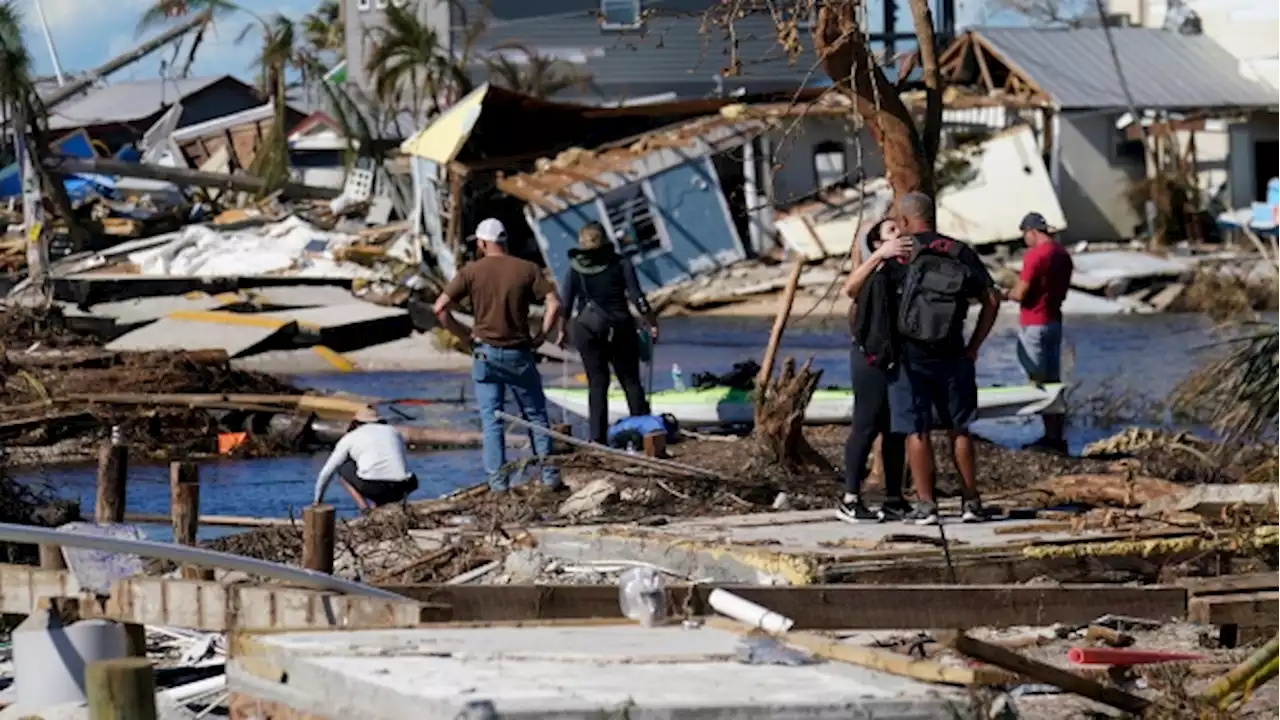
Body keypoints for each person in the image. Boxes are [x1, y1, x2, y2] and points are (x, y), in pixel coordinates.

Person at [888, 192, 1001, 526]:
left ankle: (927, 506)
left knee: (916, 431)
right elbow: (991, 300)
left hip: (909, 356)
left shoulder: (901, 254)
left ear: (905, 221)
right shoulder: (958, 251)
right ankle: (971, 502)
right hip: (954, 353)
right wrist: (974, 345)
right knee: (959, 428)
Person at [433, 218, 564, 492]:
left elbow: (440, 309)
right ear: (505, 241)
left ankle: (498, 485)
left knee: (492, 421)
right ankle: (549, 477)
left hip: (485, 354)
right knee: (536, 415)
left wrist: (464, 335)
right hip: (519, 352)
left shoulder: (471, 271)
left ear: (482, 243)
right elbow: (554, 303)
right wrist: (541, 336)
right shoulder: (527, 269)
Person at [837, 217, 913, 523]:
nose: (899, 235)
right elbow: (849, 288)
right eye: (891, 231)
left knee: (895, 429)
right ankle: (850, 498)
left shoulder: (904, 271)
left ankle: (894, 497)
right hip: (868, 359)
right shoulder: (874, 271)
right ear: (878, 244)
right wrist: (878, 256)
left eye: (900, 229)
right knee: (865, 425)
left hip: (896, 359)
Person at [556, 221, 659, 444]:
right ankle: (643, 433)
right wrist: (651, 322)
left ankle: (597, 439)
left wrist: (561, 331)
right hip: (619, 326)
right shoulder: (621, 263)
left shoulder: (575, 268)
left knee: (597, 383)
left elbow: (565, 305)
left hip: (585, 328)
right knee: (630, 380)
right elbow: (637, 297)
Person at [1006, 211, 1073, 455]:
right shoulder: (1062, 254)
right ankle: (1056, 436)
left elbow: (1021, 292)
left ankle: (1049, 437)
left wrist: (1005, 293)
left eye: (1025, 234)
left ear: (1031, 231)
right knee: (1053, 382)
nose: (1025, 239)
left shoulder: (1035, 255)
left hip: (1034, 322)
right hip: (1054, 320)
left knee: (1038, 382)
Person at [314, 406, 418, 509]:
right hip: (404, 486)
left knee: (343, 467)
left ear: (356, 422)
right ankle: (380, 506)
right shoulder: (394, 432)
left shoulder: (351, 437)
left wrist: (317, 501)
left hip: (374, 486)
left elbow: (327, 472)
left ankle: (363, 507)